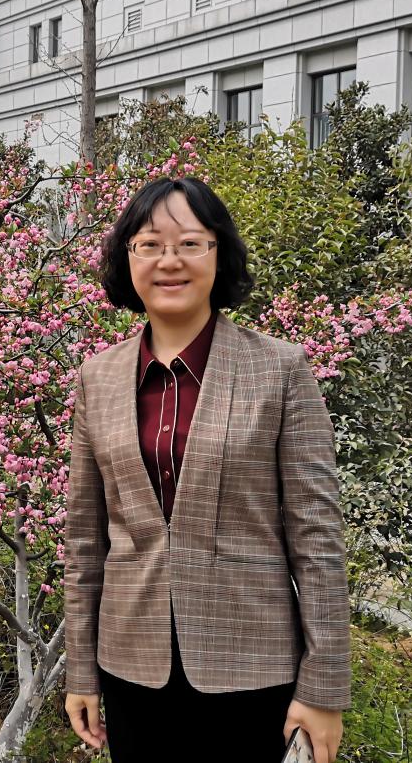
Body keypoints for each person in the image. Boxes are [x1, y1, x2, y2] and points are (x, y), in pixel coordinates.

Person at [63, 177, 351, 763]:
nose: (169, 261)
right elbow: (84, 541)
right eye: (149, 245)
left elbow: (317, 536)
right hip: (130, 665)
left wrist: (323, 686)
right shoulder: (99, 378)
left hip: (252, 667)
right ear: (127, 259)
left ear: (219, 254)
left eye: (190, 243)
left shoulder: (279, 370)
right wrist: (81, 671)